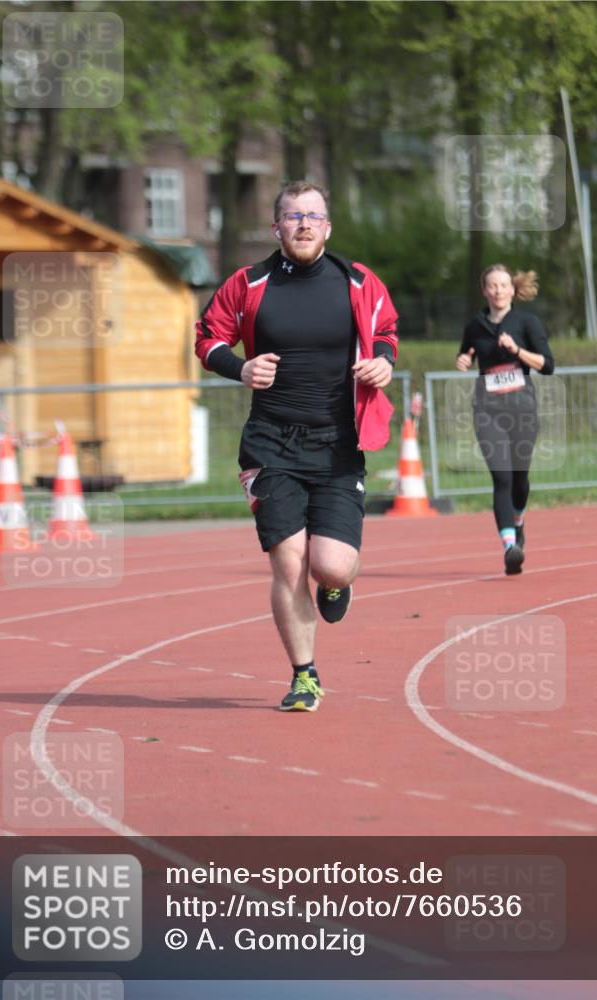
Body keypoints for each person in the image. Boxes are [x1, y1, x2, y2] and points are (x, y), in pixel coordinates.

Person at [195, 181, 398, 712]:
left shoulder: (358, 281)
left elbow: (387, 332)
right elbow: (206, 338)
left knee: (331, 565)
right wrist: (240, 367)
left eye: (313, 215)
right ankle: (304, 675)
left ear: (328, 226)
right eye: (293, 216)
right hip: (270, 443)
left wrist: (383, 363)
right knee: (289, 566)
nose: (304, 224)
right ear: (276, 228)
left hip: (337, 445)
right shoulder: (249, 283)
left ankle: (335, 585)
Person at [456, 264, 555, 575]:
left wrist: (517, 350)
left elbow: (547, 365)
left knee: (519, 480)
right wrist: (464, 359)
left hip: (522, 410)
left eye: (503, 285)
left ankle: (519, 519)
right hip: (488, 410)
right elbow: (467, 353)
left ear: (513, 290)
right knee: (502, 478)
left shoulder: (527, 322)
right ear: (485, 291)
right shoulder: (475, 325)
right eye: (492, 286)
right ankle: (510, 547)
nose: (498, 291)